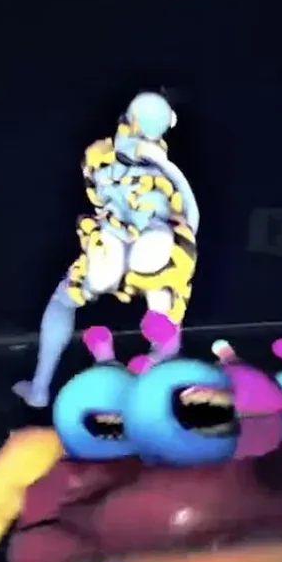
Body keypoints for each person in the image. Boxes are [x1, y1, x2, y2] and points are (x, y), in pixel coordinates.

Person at [12, 92, 201, 408]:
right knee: (167, 306)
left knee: (63, 300)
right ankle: (158, 387)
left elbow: (96, 196)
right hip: (152, 255)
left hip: (109, 249)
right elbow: (189, 214)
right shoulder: (163, 169)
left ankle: (39, 389)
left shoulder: (98, 155)